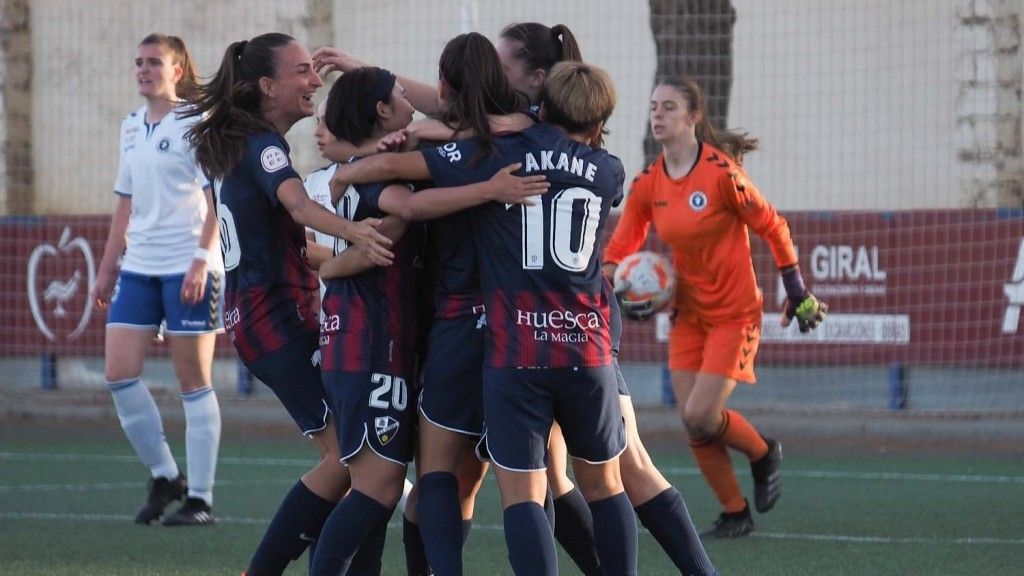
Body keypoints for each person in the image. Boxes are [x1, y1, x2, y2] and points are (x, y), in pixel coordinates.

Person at [330, 59, 638, 576]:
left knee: (521, 493)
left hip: (516, 348)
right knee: (605, 485)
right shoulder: (610, 171)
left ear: (542, 106)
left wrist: (350, 168)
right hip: (586, 346)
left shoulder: (501, 155)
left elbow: (400, 171)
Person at [183, 32, 393, 575]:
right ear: (267, 86)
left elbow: (294, 247)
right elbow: (298, 206)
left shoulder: (246, 144)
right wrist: (357, 232)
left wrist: (346, 258)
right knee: (351, 461)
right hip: (272, 319)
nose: (315, 81)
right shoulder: (262, 145)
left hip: (268, 314)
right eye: (302, 72)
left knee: (359, 461)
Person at [603, 76, 827, 538]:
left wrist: (796, 290)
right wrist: (613, 282)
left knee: (700, 415)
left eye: (669, 107)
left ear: (693, 117)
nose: (658, 114)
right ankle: (734, 512)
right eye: (653, 106)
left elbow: (774, 226)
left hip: (735, 313)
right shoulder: (649, 182)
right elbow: (620, 247)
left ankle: (764, 452)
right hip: (688, 314)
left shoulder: (722, 174)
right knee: (692, 422)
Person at [92, 33, 222, 527]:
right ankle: (167, 475)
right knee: (118, 373)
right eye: (139, 62)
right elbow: (124, 201)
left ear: (178, 71)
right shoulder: (130, 127)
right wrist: (107, 268)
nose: (144, 70)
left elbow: (217, 199)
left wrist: (198, 259)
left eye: (154, 63)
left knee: (193, 381)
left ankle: (202, 499)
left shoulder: (198, 122)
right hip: (140, 266)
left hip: (189, 266)